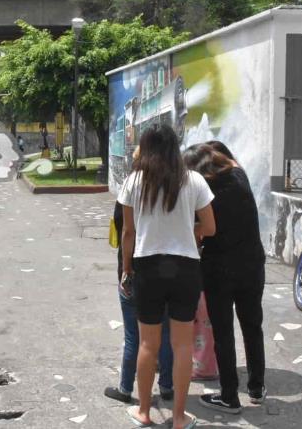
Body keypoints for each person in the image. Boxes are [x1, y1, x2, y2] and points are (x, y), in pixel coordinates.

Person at [119, 124, 216, 429]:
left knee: (148, 344)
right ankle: (178, 417)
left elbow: (128, 232)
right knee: (182, 344)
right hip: (185, 267)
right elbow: (210, 228)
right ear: (175, 147)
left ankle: (144, 412)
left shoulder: (134, 181)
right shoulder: (194, 180)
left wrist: (126, 269)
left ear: (145, 148)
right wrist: (190, 232)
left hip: (147, 266)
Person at [183, 143, 267, 413]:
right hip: (252, 264)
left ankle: (230, 396)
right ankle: (256, 387)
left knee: (223, 333)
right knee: (252, 326)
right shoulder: (239, 175)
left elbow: (203, 229)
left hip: (219, 268)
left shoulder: (203, 192)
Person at [105, 193, 174, 404]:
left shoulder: (131, 188)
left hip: (135, 270)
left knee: (133, 336)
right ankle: (166, 387)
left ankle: (126, 389)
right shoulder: (171, 189)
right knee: (164, 334)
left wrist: (126, 269)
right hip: (164, 270)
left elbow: (125, 230)